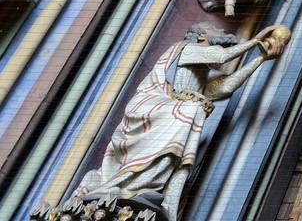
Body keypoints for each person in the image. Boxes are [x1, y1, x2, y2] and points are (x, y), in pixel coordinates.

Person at [75, 22, 290, 217]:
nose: (222, 31)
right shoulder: (183, 49)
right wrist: (255, 40)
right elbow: (222, 57)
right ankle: (128, 184)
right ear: (200, 37)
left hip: (173, 112)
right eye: (214, 29)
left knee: (190, 122)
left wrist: (261, 58)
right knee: (190, 113)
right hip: (152, 107)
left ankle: (150, 188)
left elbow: (225, 86)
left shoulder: (199, 70)